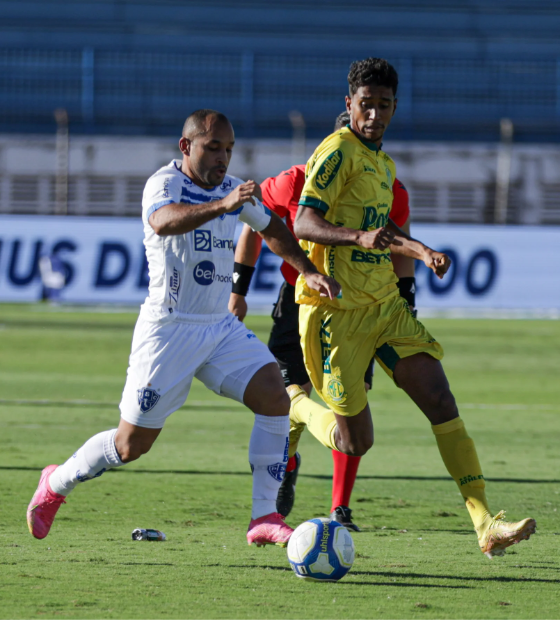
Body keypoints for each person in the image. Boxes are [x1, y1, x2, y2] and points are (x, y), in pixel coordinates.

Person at [26, 109, 340, 548]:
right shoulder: (165, 184)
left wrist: (306, 270)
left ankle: (263, 516)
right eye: (213, 147)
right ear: (186, 146)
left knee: (274, 395)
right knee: (131, 444)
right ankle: (55, 483)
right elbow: (163, 221)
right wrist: (223, 207)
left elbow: (273, 229)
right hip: (168, 330)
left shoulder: (234, 190)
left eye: (229, 149)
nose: (223, 158)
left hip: (217, 327)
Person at [290, 58, 536, 559]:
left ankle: (485, 524)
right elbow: (303, 222)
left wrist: (421, 251)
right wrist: (359, 236)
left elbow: (384, 229)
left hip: (384, 304)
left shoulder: (383, 163)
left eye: (383, 106)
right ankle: (293, 402)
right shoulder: (337, 152)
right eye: (366, 105)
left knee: (441, 400)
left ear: (395, 106)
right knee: (355, 442)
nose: (374, 115)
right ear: (349, 105)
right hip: (336, 313)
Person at [229, 111, 415, 531]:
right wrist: (238, 291)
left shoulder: (388, 188)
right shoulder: (294, 180)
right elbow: (254, 226)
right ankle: (286, 463)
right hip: (299, 299)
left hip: (359, 303)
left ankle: (340, 506)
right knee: (285, 391)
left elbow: (401, 245)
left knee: (349, 399)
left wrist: (407, 304)